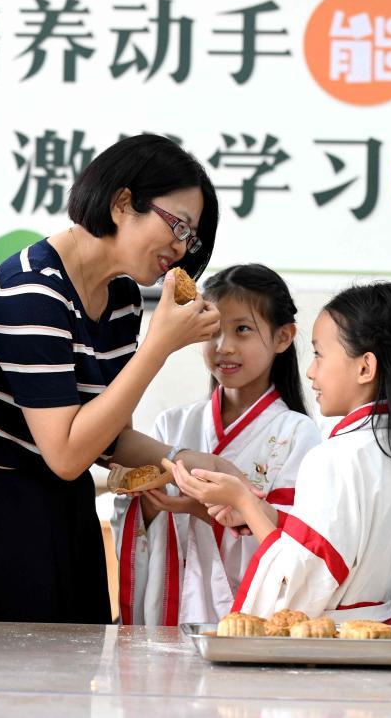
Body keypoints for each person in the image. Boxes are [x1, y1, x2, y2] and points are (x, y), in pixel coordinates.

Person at [0, 134, 237, 624]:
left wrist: (182, 462)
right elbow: (64, 453)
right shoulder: (30, 291)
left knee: (75, 689)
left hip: (67, 511)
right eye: (178, 226)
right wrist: (159, 346)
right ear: (123, 203)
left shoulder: (121, 295)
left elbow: (106, 437)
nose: (181, 247)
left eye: (190, 237)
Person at [175, 282, 391, 623]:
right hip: (375, 629)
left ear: (365, 367)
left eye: (320, 354)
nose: (310, 370)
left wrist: (243, 501)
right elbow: (336, 545)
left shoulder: (336, 456)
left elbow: (298, 584)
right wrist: (262, 513)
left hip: (330, 643)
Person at [112, 264, 320, 624]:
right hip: (171, 612)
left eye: (242, 330)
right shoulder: (172, 425)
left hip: (251, 618)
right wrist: (145, 507)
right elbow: (135, 527)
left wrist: (198, 509)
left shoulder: (298, 434)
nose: (224, 347)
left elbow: (295, 547)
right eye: (213, 332)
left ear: (283, 337)